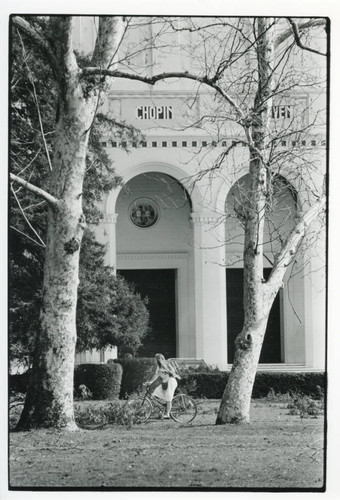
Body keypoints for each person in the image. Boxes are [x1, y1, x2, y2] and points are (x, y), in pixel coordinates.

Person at [145, 353, 181, 419]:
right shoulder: (159, 366)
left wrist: (150, 382)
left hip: (171, 382)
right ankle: (165, 406)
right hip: (165, 382)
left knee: (168, 398)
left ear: (158, 359)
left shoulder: (165, 365)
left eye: (155, 359)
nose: (154, 360)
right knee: (156, 391)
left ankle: (167, 414)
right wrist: (150, 382)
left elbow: (168, 373)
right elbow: (155, 375)